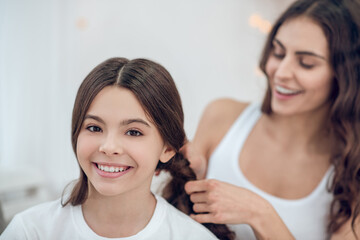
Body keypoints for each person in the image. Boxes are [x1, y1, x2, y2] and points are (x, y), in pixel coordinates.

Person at [1, 57, 234, 239]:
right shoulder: (30, 231)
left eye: (133, 132)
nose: (109, 147)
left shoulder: (191, 237)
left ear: (168, 148)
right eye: (94, 128)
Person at [183, 0, 360, 239]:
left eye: (306, 63)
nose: (281, 72)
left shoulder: (353, 169)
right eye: (278, 52)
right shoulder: (222, 117)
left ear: (345, 76)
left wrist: (260, 214)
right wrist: (188, 175)